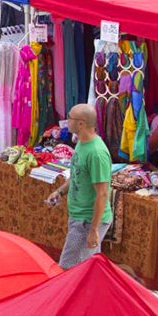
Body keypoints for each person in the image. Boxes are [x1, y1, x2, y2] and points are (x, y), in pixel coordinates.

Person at [47, 104, 112, 269]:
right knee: (86, 269)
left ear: (81, 123)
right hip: (80, 218)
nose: (67, 121)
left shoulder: (96, 153)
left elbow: (103, 194)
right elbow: (76, 175)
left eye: (70, 117)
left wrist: (94, 229)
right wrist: (60, 192)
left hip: (87, 221)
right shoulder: (81, 144)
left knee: (67, 269)